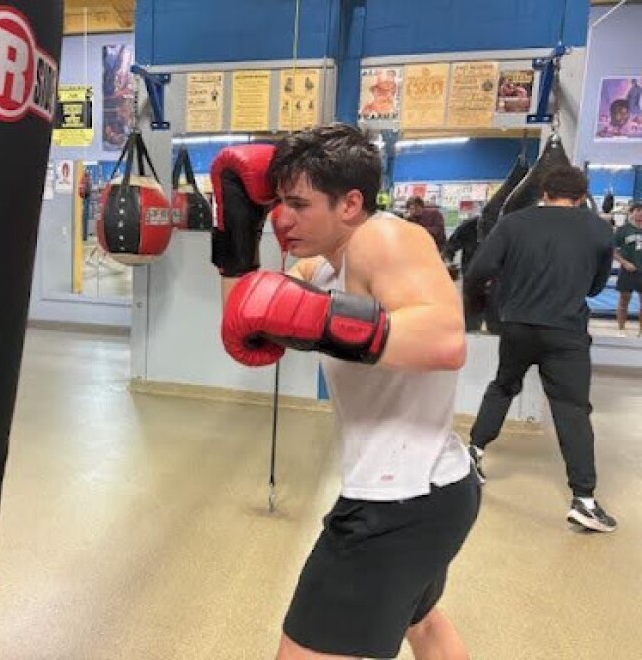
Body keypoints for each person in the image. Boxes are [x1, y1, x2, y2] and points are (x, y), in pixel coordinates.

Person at [210, 124, 480, 660]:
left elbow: (447, 341)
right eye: (278, 204)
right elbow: (246, 319)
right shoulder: (324, 265)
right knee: (423, 624)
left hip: (399, 503)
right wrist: (237, 238)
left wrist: (322, 322)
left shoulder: (384, 238)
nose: (282, 219)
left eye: (298, 204)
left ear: (351, 204)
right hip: (432, 490)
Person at [463, 165, 616, 533]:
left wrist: (501, 292)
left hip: (517, 325)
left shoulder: (513, 223)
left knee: (503, 386)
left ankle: (473, 455)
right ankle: (584, 500)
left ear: (543, 193)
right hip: (566, 332)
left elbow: (478, 270)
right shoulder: (598, 229)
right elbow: (596, 288)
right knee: (572, 409)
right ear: (582, 197)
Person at [441, 215, 484, 331]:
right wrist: (448, 261)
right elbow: (451, 246)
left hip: (498, 278)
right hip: (473, 274)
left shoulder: (506, 225)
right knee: (472, 316)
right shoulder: (470, 226)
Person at [613, 201, 642, 336]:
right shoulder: (623, 230)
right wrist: (624, 263)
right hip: (628, 271)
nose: (640, 214)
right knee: (624, 301)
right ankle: (621, 329)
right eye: (638, 211)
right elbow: (612, 251)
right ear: (632, 213)